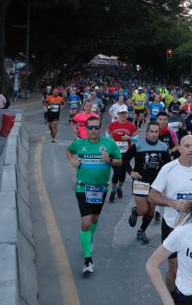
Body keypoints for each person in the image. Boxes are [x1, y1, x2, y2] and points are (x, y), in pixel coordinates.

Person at [149, 135, 192, 292]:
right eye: (187, 146)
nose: (191, 150)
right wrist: (172, 203)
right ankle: (172, 297)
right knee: (174, 266)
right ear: (179, 148)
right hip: (173, 225)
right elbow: (152, 196)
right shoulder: (168, 169)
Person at [64, 116, 123, 275]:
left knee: (95, 219)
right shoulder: (80, 143)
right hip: (82, 188)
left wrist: (109, 159)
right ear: (86, 128)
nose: (93, 130)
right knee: (86, 222)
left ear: (100, 127)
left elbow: (119, 161)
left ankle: (89, 238)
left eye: (96, 127)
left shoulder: (109, 144)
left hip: (101, 189)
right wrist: (72, 160)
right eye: (90, 127)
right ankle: (87, 260)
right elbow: (68, 151)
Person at [123, 122, 170, 244]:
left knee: (151, 211)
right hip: (141, 181)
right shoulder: (138, 145)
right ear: (147, 132)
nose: (154, 134)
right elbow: (125, 159)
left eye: (156, 132)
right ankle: (135, 211)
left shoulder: (163, 147)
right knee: (143, 210)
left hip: (156, 184)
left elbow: (167, 165)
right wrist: (131, 172)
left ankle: (141, 231)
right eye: (152, 131)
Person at [106, 107, 138, 202]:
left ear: (127, 114)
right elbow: (107, 135)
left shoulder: (131, 125)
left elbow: (137, 139)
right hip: (115, 153)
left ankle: (119, 188)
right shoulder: (113, 125)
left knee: (122, 174)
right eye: (121, 113)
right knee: (116, 173)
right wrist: (110, 141)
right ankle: (113, 191)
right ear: (118, 114)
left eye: (124, 113)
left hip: (126, 153)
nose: (123, 115)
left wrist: (128, 138)